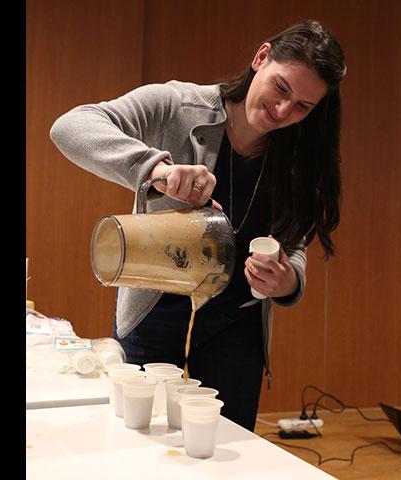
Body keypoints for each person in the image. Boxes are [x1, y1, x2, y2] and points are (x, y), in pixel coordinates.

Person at [50, 19, 345, 431]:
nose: (283, 111)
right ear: (261, 58)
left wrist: (288, 280)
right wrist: (156, 169)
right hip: (154, 307)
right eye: (281, 88)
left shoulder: (299, 152)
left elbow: (292, 244)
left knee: (227, 444)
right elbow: (70, 126)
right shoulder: (177, 104)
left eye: (302, 107)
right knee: (139, 438)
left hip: (238, 324)